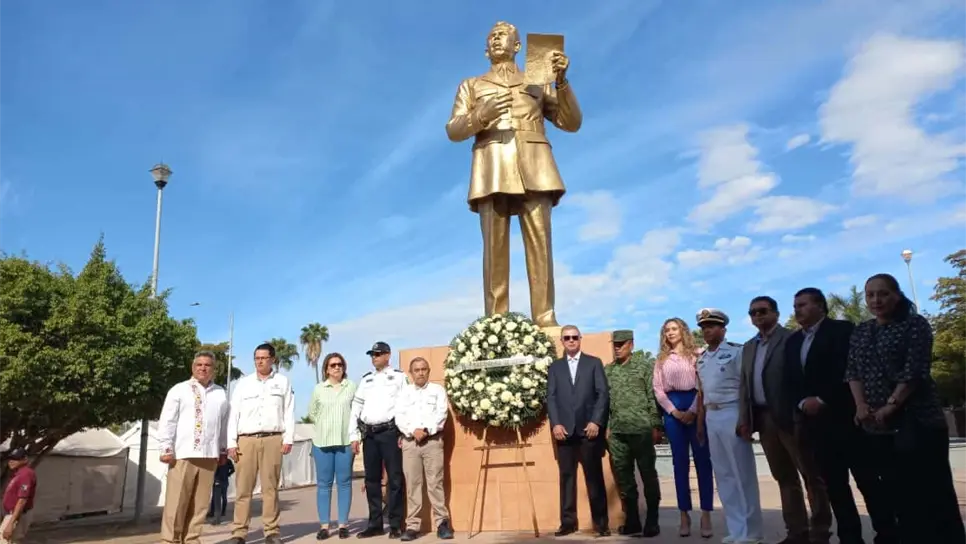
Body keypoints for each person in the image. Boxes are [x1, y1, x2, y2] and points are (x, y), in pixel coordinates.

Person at [445, 20, 582, 328]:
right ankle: (496, 322)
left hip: (535, 162)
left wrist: (561, 82)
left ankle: (545, 319)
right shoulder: (472, 84)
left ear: (517, 46)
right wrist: (481, 115)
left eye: (502, 35)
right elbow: (453, 130)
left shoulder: (537, 79)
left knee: (541, 245)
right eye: (491, 36)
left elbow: (570, 122)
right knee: (494, 249)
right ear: (485, 49)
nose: (495, 39)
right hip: (492, 164)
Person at [846, 273, 966, 543]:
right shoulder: (862, 330)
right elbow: (852, 371)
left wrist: (892, 404)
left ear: (896, 295)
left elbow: (915, 370)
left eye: (883, 293)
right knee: (895, 493)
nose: (876, 300)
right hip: (876, 426)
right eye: (870, 295)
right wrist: (861, 405)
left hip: (918, 422)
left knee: (932, 492)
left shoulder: (915, 325)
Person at [786, 287, 897, 544]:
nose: (797, 310)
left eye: (802, 304)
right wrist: (802, 402)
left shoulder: (843, 331)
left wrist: (823, 399)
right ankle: (850, 537)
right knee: (835, 486)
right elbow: (791, 379)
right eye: (795, 305)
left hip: (847, 418)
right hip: (816, 426)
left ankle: (887, 533)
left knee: (867, 481)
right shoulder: (793, 342)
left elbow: (849, 370)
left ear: (820, 306)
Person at [739, 296, 830, 544]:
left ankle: (820, 530)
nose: (757, 316)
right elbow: (744, 386)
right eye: (753, 312)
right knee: (784, 477)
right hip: (763, 418)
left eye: (762, 311)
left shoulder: (792, 338)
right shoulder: (748, 347)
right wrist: (744, 419)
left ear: (776, 314)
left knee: (811, 474)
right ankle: (796, 532)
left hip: (791, 416)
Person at [695, 309, 764, 544]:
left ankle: (752, 532)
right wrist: (701, 424)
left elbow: (745, 387)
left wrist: (745, 418)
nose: (707, 331)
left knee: (742, 474)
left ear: (723, 329)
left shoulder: (736, 352)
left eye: (712, 326)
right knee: (724, 475)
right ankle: (736, 530)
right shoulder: (702, 359)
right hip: (711, 416)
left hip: (732, 412)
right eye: (704, 328)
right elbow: (703, 393)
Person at [157, 351, 230, 544]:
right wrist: (166, 447)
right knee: (177, 503)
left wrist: (223, 450)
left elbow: (223, 425)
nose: (203, 368)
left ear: (214, 369)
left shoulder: (220, 393)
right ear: (193, 367)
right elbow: (168, 420)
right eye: (199, 364)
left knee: (200, 505)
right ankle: (170, 541)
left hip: (209, 456)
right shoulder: (179, 390)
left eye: (207, 365)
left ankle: (192, 539)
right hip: (183, 454)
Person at [227, 343, 296, 544]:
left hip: (273, 439)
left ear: (272, 359)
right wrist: (231, 442)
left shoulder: (283, 382)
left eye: (264, 358)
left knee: (270, 489)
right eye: (257, 358)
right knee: (243, 490)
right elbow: (233, 414)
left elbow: (289, 411)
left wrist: (288, 437)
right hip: (246, 440)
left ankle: (272, 532)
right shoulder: (244, 384)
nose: (260, 361)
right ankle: (239, 532)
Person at [546, 325, 610, 537]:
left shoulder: (593, 363)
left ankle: (601, 525)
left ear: (580, 339)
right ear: (562, 342)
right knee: (567, 478)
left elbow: (602, 394)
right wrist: (555, 423)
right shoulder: (555, 367)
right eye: (567, 338)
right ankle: (568, 523)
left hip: (588, 431)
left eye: (575, 337)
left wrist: (596, 422)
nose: (571, 340)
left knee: (594, 478)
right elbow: (551, 398)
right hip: (564, 431)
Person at [652, 317, 713, 537]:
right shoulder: (660, 360)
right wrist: (674, 411)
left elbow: (704, 383)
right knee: (679, 465)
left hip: (696, 407)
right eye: (667, 329)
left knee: (703, 462)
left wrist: (694, 411)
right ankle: (684, 514)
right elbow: (658, 390)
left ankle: (706, 513)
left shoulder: (698, 354)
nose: (670, 333)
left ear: (682, 331)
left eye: (674, 328)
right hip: (673, 411)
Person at [604, 329, 661, 537]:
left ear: (631, 345)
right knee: (625, 478)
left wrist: (656, 426)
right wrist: (608, 426)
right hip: (618, 433)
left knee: (648, 475)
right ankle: (633, 520)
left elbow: (652, 397)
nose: (617, 348)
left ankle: (653, 520)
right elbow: (605, 403)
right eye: (615, 345)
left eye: (622, 344)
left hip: (642, 431)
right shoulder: (608, 370)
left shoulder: (644, 367)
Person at [350, 341, 408, 539]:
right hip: (370, 434)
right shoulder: (366, 380)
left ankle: (395, 524)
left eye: (378, 354)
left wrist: (403, 432)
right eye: (372, 354)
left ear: (387, 355)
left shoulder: (399, 377)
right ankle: (375, 524)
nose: (374, 357)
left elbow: (405, 404)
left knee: (395, 479)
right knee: (372, 480)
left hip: (390, 433)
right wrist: (353, 435)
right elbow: (356, 408)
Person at [395, 357, 454, 541]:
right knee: (412, 485)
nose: (420, 372)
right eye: (416, 370)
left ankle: (442, 524)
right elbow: (399, 416)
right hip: (410, 443)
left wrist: (426, 431)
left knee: (435, 483)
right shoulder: (404, 393)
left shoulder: (437, 390)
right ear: (411, 373)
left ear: (428, 371)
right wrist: (412, 431)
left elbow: (441, 413)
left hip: (432, 442)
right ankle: (412, 526)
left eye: (423, 369)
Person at [307, 353, 357, 540]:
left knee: (344, 484)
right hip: (322, 443)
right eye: (333, 365)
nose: (337, 368)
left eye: (340, 364)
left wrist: (355, 437)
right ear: (326, 369)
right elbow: (312, 413)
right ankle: (325, 526)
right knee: (324, 485)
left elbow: (356, 413)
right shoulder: (319, 389)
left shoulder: (351, 387)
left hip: (345, 442)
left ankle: (343, 524)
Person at [1, 448, 36, 544]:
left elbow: (22, 500)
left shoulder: (26, 474)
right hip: (12, 514)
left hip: (17, 515)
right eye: (10, 458)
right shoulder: (18, 474)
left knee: (6, 540)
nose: (11, 461)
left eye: (15, 459)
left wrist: (11, 523)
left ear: (25, 459)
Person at [207, 458, 234, 525]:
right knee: (223, 497)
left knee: (216, 500)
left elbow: (214, 471)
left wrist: (215, 479)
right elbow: (233, 469)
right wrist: (228, 474)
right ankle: (222, 512)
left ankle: (216, 518)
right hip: (225, 481)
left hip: (217, 482)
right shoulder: (228, 460)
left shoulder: (217, 461)